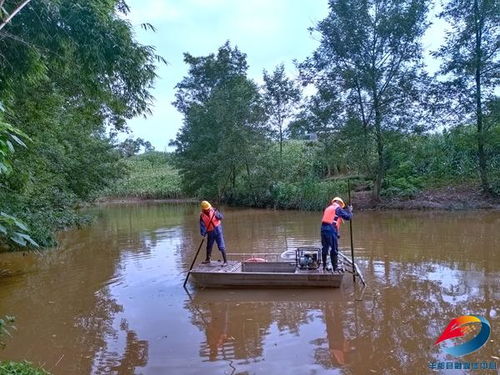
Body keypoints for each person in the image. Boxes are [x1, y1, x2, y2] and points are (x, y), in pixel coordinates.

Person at [320, 197, 353, 271]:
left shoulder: (328, 208)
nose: (341, 207)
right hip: (330, 230)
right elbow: (348, 217)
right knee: (334, 249)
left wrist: (337, 233)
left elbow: (332, 221)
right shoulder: (337, 208)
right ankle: (335, 268)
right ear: (339, 203)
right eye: (341, 205)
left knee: (325, 247)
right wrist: (350, 211)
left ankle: (324, 266)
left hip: (323, 229)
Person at [200, 200, 227, 266]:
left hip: (218, 230)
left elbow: (221, 217)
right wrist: (203, 233)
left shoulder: (214, 210)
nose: (208, 210)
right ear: (204, 209)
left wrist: (216, 214)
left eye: (209, 208)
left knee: (221, 246)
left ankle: (225, 261)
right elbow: (202, 225)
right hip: (210, 232)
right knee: (209, 246)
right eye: (207, 209)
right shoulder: (202, 215)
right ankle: (207, 260)